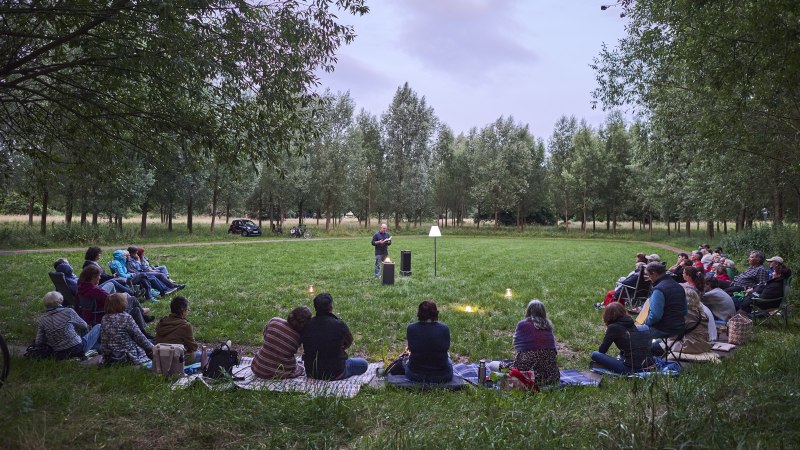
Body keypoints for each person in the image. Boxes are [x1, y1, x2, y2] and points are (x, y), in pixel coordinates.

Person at [301, 293, 368, 380]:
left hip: (312, 372)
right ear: (331, 307)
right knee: (363, 363)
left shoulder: (307, 325)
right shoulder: (339, 324)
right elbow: (349, 342)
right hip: (336, 372)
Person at [76, 265, 154, 334]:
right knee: (133, 300)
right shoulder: (95, 291)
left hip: (90, 316)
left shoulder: (81, 287)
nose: (100, 278)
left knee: (119, 290)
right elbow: (112, 301)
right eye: (99, 276)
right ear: (93, 277)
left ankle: (143, 317)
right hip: (103, 314)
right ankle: (143, 326)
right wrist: (121, 297)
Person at [34, 291, 101, 360]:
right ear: (60, 300)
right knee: (98, 326)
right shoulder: (68, 311)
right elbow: (84, 325)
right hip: (77, 349)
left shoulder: (42, 319)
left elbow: (38, 341)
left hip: (59, 354)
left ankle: (97, 347)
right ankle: (103, 347)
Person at [590, 302, 653, 374]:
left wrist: (607, 333)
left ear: (607, 315)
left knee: (595, 354)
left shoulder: (613, 328)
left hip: (630, 368)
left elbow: (602, 350)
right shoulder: (630, 322)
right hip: (649, 365)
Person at [251, 306, 312, 379]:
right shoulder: (298, 337)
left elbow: (265, 335)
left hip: (257, 366)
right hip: (280, 371)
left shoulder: (274, 321)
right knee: (300, 368)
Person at [511, 300, 560, 386]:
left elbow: (517, 345)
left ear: (528, 311)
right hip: (551, 375)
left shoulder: (522, 324)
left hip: (529, 373)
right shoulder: (548, 325)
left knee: (495, 365)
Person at [404, 301, 453, 383]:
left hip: (415, 375)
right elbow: (445, 349)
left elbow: (411, 349)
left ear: (419, 313)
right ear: (436, 313)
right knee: (448, 358)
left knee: (406, 361)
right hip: (442, 376)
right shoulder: (444, 329)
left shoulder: (411, 328)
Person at [100, 293, 153, 365]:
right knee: (152, 342)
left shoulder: (104, 318)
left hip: (109, 356)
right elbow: (139, 337)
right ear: (122, 303)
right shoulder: (126, 318)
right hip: (125, 356)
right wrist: (153, 348)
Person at [641, 262, 688, 338]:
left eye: (649, 275)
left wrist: (645, 322)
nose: (649, 278)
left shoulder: (659, 289)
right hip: (679, 327)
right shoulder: (678, 286)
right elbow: (685, 311)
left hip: (663, 329)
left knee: (631, 332)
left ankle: (642, 349)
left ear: (654, 274)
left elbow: (655, 316)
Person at [155, 296, 204, 364]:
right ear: (183, 311)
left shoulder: (161, 323)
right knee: (206, 354)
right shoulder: (185, 326)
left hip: (161, 359)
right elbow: (193, 347)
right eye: (187, 310)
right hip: (177, 360)